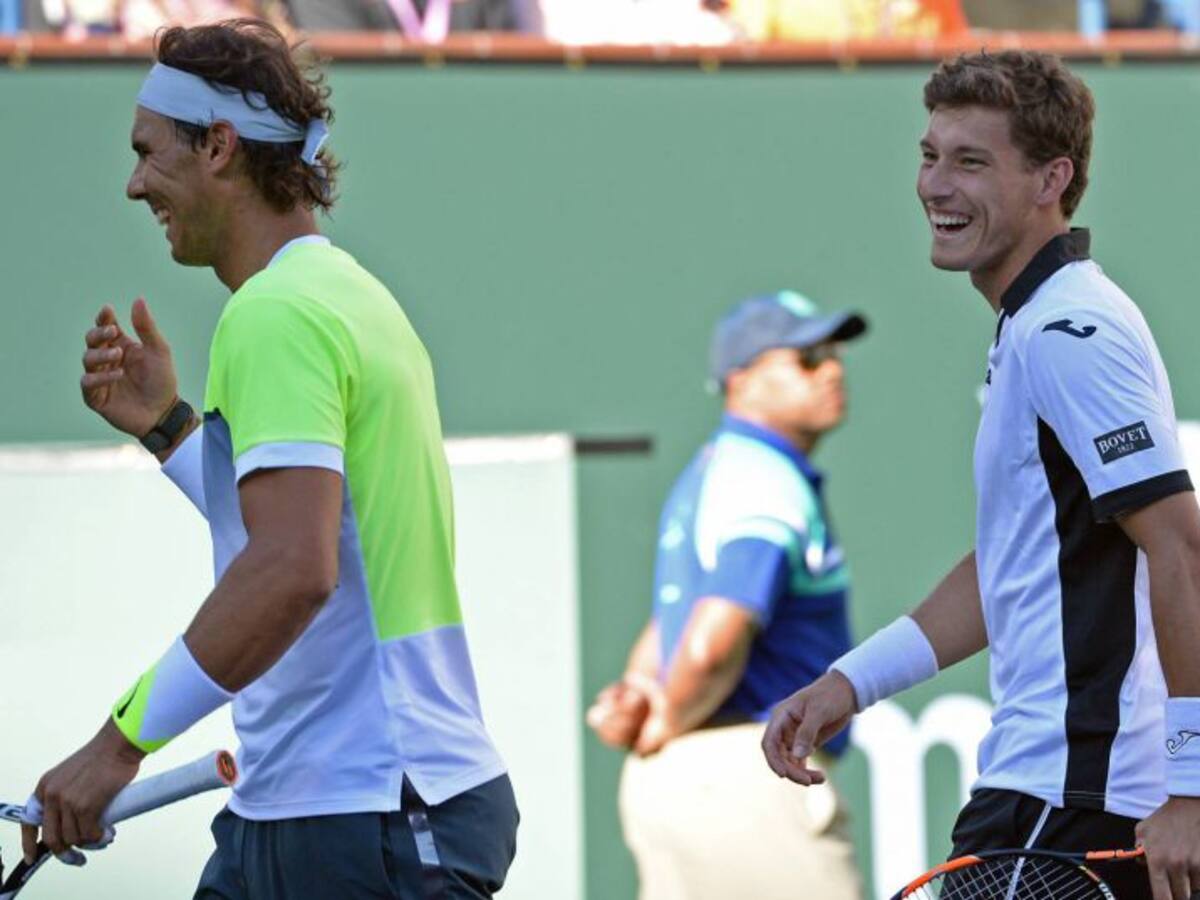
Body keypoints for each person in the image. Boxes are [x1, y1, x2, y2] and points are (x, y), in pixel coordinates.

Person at [20, 19, 518, 899]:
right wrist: (170, 429)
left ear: (218, 146)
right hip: (308, 811)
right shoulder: (345, 295)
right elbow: (311, 528)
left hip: (368, 815)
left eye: (147, 152)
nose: (134, 185)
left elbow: (292, 568)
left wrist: (118, 745)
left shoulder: (276, 314)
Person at [762, 50, 1200, 900]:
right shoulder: (1037, 324)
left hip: (1072, 802)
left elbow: (1181, 546)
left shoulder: (1068, 330)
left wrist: (1191, 785)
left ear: (1051, 180)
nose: (937, 186)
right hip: (1058, 797)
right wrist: (850, 684)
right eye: (930, 156)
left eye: (971, 162)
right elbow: (1017, 565)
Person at [587, 290, 867, 900]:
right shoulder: (765, 476)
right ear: (741, 380)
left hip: (678, 782)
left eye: (834, 355)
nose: (831, 370)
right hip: (749, 779)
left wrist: (642, 693)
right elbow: (714, 641)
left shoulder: (717, 469)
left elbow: (671, 624)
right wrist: (667, 717)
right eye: (807, 358)